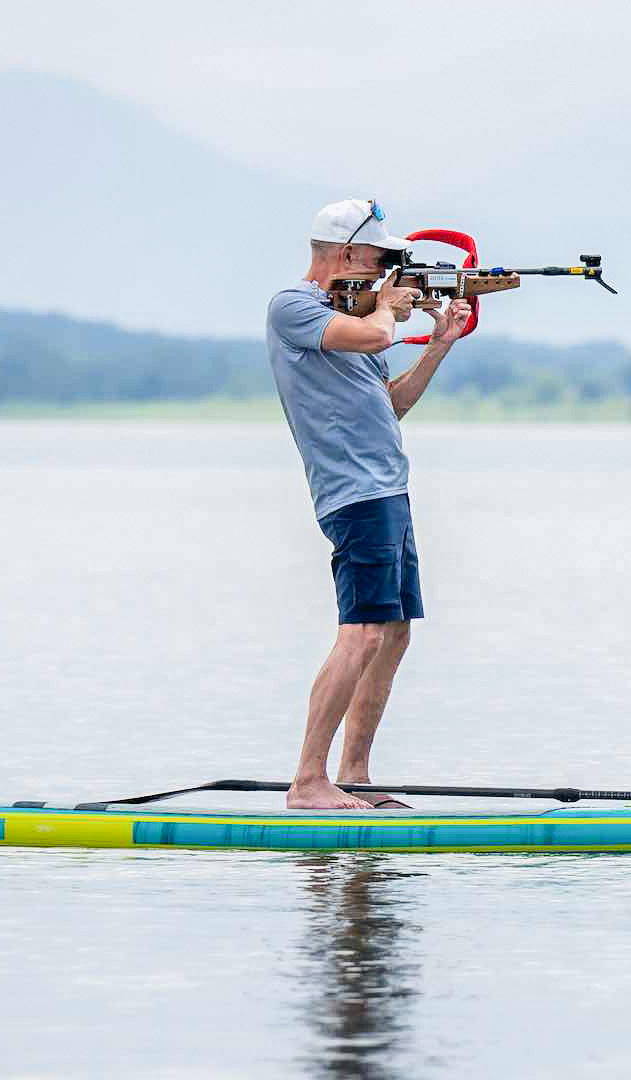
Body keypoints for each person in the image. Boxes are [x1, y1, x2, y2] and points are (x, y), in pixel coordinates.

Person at [266, 199, 471, 810]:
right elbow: (378, 329)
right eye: (380, 258)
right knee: (358, 634)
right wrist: (390, 306)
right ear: (347, 253)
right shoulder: (293, 307)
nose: (385, 270)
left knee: (395, 632)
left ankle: (353, 774)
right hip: (354, 493)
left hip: (389, 487)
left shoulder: (361, 323)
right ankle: (308, 780)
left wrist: (439, 343)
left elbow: (393, 402)